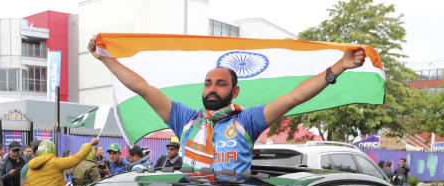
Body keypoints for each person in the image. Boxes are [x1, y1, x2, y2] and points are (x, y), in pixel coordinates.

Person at [88, 35, 366, 173]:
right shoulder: (184, 119)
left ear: (235, 91)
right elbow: (142, 87)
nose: (212, 89)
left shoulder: (247, 121)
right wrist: (105, 59)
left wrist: (339, 66)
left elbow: (295, 97)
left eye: (220, 84)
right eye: (208, 83)